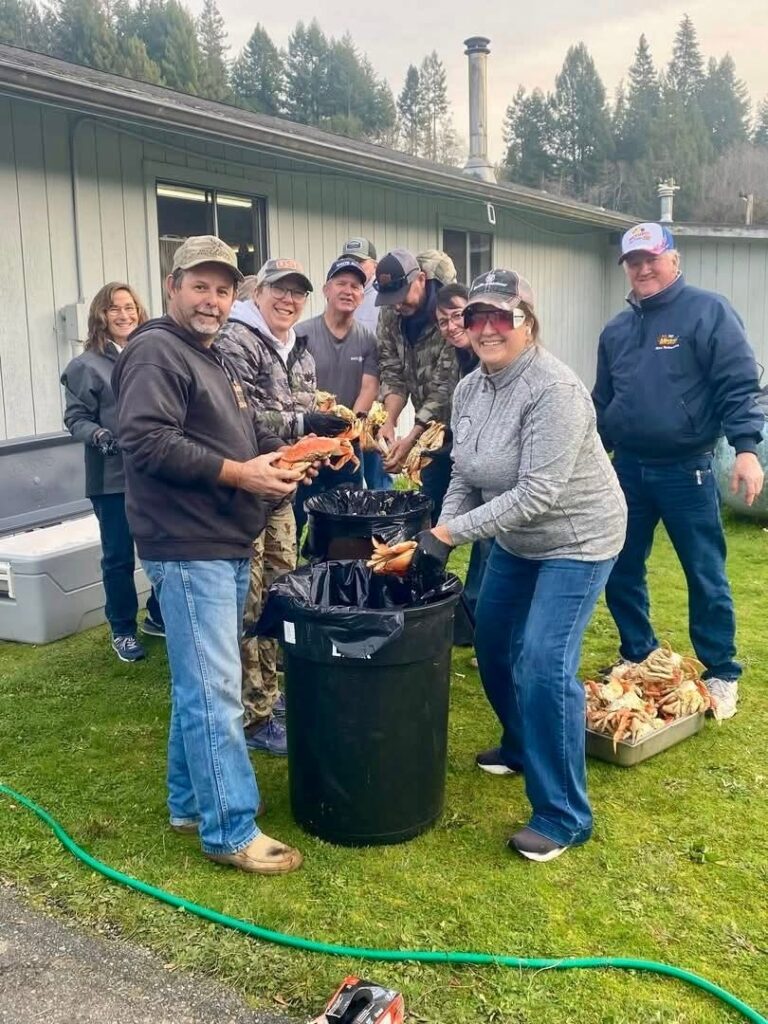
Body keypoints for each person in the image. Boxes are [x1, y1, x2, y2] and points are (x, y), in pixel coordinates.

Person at [411, 269, 627, 862]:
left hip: (577, 540)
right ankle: (523, 744)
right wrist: (440, 534)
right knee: (494, 642)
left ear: (527, 324)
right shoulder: (469, 389)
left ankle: (563, 815)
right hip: (515, 540)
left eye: (501, 317)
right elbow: (463, 474)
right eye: (476, 317)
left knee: (543, 663)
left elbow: (537, 493)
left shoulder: (555, 390)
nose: (487, 328)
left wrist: (448, 534)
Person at [113, 235, 309, 874]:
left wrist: (278, 464)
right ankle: (229, 829)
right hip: (188, 545)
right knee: (216, 692)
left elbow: (235, 438)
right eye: (200, 286)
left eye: (223, 290)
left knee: (197, 682)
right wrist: (239, 474)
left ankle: (191, 804)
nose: (212, 300)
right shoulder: (156, 351)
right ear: (172, 287)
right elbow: (145, 440)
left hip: (221, 541)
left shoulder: (208, 354)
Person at [593, 223, 765, 721]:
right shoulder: (616, 330)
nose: (643, 268)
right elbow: (603, 402)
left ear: (674, 259)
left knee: (704, 571)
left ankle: (721, 671)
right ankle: (637, 652)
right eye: (633, 261)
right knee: (619, 565)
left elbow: (738, 383)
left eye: (652, 258)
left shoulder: (708, 311)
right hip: (627, 469)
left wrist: (747, 449)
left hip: (687, 469)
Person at [216, 257, 348, 756]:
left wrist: (318, 444)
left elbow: (301, 418)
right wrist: (303, 425)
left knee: (280, 596)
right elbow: (240, 415)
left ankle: (270, 695)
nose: (288, 300)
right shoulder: (236, 341)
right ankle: (252, 717)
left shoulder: (301, 351)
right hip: (244, 493)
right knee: (248, 606)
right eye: (279, 290)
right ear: (258, 292)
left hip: (284, 493)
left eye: (297, 292)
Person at [61, 282, 164, 664]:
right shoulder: (85, 366)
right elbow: (76, 418)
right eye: (114, 308)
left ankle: (157, 616)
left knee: (165, 548)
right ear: (100, 316)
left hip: (155, 473)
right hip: (112, 478)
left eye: (130, 307)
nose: (124, 314)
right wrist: (100, 435)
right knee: (119, 558)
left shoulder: (150, 355)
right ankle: (122, 629)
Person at [295, 256, 380, 540]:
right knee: (294, 519)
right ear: (326, 290)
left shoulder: (368, 340)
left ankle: (336, 565)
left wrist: (347, 430)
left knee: (346, 522)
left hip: (346, 447)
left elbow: (369, 387)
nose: (348, 291)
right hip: (306, 443)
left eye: (356, 286)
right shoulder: (301, 334)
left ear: (362, 295)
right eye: (341, 283)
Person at [375, 248, 459, 522]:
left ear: (421, 279)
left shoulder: (449, 316)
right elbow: (392, 372)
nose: (397, 305)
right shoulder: (390, 314)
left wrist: (411, 439)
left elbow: (445, 385)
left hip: (462, 424)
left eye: (402, 296)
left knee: (474, 511)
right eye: (391, 300)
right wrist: (389, 421)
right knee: (430, 508)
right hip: (429, 434)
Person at [434, 283, 490, 646]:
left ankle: (480, 624)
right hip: (471, 466)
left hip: (500, 474)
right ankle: (472, 623)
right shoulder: (459, 362)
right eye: (443, 321)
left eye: (457, 316)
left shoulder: (487, 358)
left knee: (490, 548)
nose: (451, 326)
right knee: (484, 546)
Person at [340, 236, 392, 490]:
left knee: (376, 468)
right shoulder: (345, 294)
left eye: (361, 262)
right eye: (349, 261)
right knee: (349, 464)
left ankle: (383, 510)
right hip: (345, 397)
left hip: (374, 400)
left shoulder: (383, 301)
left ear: (375, 265)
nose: (356, 266)